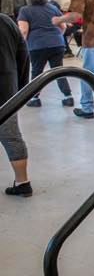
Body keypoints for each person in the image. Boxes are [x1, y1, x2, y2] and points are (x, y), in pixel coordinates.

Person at [17, 0, 73, 108]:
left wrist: (22, 47)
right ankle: (68, 96)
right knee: (58, 71)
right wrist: (57, 37)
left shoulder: (25, 10)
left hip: (37, 45)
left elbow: (23, 31)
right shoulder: (52, 8)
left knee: (37, 72)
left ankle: (34, 98)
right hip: (57, 44)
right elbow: (63, 26)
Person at [1, 13, 31, 196]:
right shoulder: (6, 21)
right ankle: (23, 182)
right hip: (6, 89)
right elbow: (23, 53)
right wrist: (21, 87)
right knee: (11, 136)